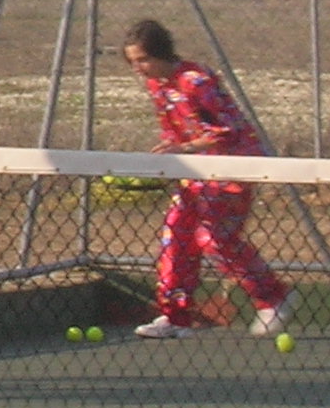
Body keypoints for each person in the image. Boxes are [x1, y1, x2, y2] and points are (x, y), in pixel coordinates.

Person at [121, 18, 295, 340]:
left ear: (161, 53)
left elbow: (228, 130)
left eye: (143, 59)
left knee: (213, 237)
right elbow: (173, 129)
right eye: (132, 62)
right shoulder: (157, 85)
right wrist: (168, 153)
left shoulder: (197, 81)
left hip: (231, 167)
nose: (138, 68)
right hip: (194, 171)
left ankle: (272, 296)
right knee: (176, 234)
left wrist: (185, 147)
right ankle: (175, 316)